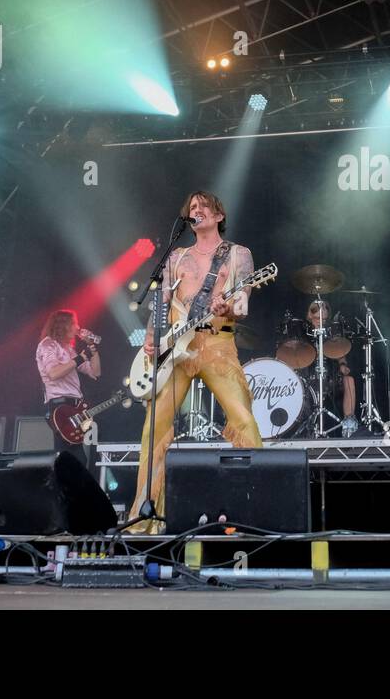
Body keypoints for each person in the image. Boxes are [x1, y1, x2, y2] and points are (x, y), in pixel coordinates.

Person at [128, 191, 264, 530]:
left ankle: (259, 510)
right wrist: (151, 336)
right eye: (192, 207)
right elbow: (162, 300)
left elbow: (244, 304)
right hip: (175, 347)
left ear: (219, 215)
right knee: (152, 429)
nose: (196, 210)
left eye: (203, 206)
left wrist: (229, 306)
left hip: (217, 343)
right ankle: (144, 517)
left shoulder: (237, 254)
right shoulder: (176, 256)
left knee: (244, 420)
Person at [36, 309, 102, 470]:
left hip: (75, 406)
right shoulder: (48, 344)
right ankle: (65, 493)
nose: (78, 327)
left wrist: (91, 346)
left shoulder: (68, 349)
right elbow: (53, 373)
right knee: (72, 457)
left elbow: (95, 372)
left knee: (76, 457)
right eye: (74, 323)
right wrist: (79, 358)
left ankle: (68, 492)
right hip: (60, 405)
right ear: (63, 325)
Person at [302, 299, 358, 436]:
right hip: (308, 377)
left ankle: (349, 424)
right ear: (310, 316)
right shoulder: (304, 333)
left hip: (330, 376)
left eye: (324, 319)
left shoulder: (330, 334)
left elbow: (340, 354)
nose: (320, 321)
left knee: (349, 380)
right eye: (317, 319)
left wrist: (343, 365)